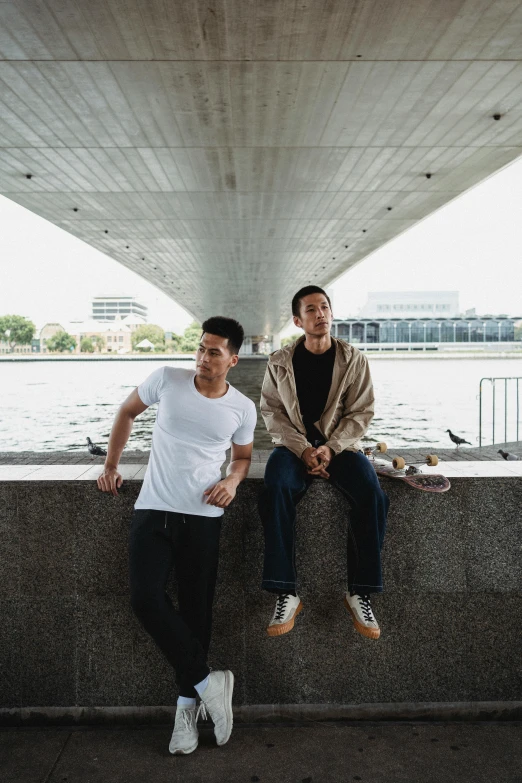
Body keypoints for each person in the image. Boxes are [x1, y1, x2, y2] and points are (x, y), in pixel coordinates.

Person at [97, 316, 257, 755]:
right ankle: (210, 682)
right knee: (144, 598)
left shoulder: (242, 407)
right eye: (201, 348)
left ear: (233, 359)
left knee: (196, 613)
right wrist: (111, 465)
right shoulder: (166, 379)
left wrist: (233, 481)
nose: (203, 357)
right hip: (153, 509)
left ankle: (186, 710)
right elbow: (127, 412)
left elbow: (242, 458)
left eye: (214, 352)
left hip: (203, 517)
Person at [259, 286, 389, 641]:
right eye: (312, 309)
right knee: (276, 487)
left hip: (342, 447)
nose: (321, 313)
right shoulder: (279, 362)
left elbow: (362, 413)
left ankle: (359, 591)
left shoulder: (353, 359)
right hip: (293, 446)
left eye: (325, 307)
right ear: (298, 321)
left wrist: (330, 448)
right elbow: (272, 412)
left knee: (372, 494)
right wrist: (303, 450)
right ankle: (286, 591)